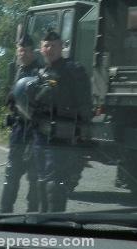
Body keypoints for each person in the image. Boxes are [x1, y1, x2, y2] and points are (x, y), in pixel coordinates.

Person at [31, 31, 92, 212]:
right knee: (41, 178)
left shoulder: (73, 70)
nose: (50, 49)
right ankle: (43, 222)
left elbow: (85, 104)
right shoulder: (39, 73)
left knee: (55, 182)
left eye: (54, 45)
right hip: (40, 135)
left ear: (61, 47)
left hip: (61, 135)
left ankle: (55, 224)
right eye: (46, 45)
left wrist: (81, 134)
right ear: (41, 49)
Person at [0, 34, 42, 213]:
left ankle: (32, 216)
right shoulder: (18, 70)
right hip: (18, 130)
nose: (22, 54)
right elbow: (12, 97)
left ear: (33, 51)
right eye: (20, 50)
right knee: (11, 173)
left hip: (35, 130)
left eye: (25, 50)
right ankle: (3, 213)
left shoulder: (41, 71)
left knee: (34, 177)